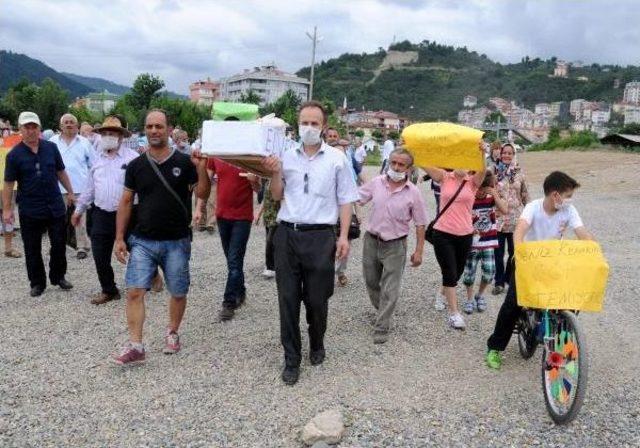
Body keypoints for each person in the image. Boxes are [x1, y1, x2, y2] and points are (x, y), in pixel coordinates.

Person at [262, 101, 359, 385]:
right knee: (288, 299)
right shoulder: (284, 155)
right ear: (298, 123)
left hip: (321, 236)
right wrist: (275, 172)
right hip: (287, 234)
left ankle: (317, 341)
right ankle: (291, 358)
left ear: (324, 127)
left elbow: (345, 200)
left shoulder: (337, 159)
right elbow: (277, 195)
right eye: (305, 122)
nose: (309, 128)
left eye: (315, 123)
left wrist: (342, 236)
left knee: (317, 300)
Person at [112, 109, 210, 365]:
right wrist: (120, 237)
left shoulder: (185, 162)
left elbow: (203, 193)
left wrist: (201, 170)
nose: (154, 130)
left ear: (168, 130)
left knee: (177, 291)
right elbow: (125, 201)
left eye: (159, 126)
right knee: (134, 291)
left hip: (177, 240)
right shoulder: (136, 165)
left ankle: (173, 331)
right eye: (149, 126)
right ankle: (136, 346)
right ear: (144, 130)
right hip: (142, 239)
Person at [486, 171, 593, 369]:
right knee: (513, 304)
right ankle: (495, 347)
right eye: (568, 195)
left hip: (552, 262)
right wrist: (519, 252)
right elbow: (519, 231)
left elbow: (582, 233)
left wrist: (594, 250)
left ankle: (560, 346)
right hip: (527, 261)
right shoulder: (532, 207)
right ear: (555, 195)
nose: (570, 200)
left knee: (567, 302)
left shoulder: (569, 211)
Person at [3, 112, 75, 297]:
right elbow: (9, 184)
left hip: (54, 204)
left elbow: (61, 171)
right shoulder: (14, 155)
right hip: (30, 208)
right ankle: (37, 283)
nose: (31, 130)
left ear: (39, 128)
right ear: (20, 130)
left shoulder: (51, 148)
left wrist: (71, 192)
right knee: (32, 247)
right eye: (27, 127)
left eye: (34, 126)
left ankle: (58, 276)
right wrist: (7, 209)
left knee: (59, 243)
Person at [359, 148, 427, 343]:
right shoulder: (377, 183)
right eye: (393, 163)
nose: (396, 167)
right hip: (371, 241)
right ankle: (383, 310)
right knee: (371, 282)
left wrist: (419, 251)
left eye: (401, 164)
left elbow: (420, 223)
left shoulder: (413, 192)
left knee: (390, 288)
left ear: (409, 168)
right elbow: (357, 198)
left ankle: (382, 326)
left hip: (395, 246)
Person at [71, 116, 139, 305]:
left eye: (112, 133)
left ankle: (148, 277)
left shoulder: (133, 158)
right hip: (101, 213)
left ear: (120, 136)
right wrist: (78, 210)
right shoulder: (96, 160)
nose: (108, 136)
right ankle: (109, 289)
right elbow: (90, 188)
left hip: (128, 214)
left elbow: (142, 187)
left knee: (138, 250)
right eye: (105, 133)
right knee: (100, 255)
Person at [422, 143, 486, 330]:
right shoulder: (444, 176)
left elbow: (483, 169)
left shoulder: (473, 182)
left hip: (465, 234)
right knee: (449, 272)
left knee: (456, 273)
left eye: (465, 161)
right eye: (457, 161)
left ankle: (442, 293)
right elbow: (424, 164)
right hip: (443, 233)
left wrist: (482, 153)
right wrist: (414, 148)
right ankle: (454, 314)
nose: (461, 165)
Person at [197, 157, 260, 321]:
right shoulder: (217, 155)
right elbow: (206, 184)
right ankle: (240, 291)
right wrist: (198, 208)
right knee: (232, 261)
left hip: (243, 217)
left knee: (234, 260)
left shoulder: (248, 157)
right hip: (222, 216)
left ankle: (229, 302)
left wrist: (254, 182)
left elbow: (258, 189)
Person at [461, 171, 508, 314]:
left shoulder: (491, 197)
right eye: (479, 188)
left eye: (484, 189)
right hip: (472, 243)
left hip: (488, 241)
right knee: (469, 274)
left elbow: (505, 210)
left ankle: (479, 295)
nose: (481, 192)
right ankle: (469, 299)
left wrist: (494, 193)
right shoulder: (469, 199)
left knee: (489, 272)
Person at [49, 113, 94, 259]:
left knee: (80, 218)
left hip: (81, 187)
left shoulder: (85, 142)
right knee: (57, 218)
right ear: (61, 126)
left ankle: (82, 247)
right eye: (66, 122)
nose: (69, 124)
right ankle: (58, 245)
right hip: (57, 188)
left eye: (72, 122)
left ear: (77, 125)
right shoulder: (52, 142)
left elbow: (93, 164)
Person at [492, 143, 529, 295]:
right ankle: (499, 282)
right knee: (498, 253)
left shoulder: (520, 173)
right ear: (500, 154)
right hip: (499, 219)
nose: (506, 155)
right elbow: (488, 192)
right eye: (504, 153)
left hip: (516, 219)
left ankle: (508, 277)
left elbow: (525, 194)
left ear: (513, 155)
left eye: (509, 153)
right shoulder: (493, 172)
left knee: (514, 252)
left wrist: (530, 214)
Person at [254, 178, 280, 279]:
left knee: (270, 241)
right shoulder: (268, 180)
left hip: (277, 217)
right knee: (270, 241)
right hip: (268, 216)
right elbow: (265, 199)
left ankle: (270, 267)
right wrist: (258, 214)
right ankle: (272, 265)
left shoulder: (280, 179)